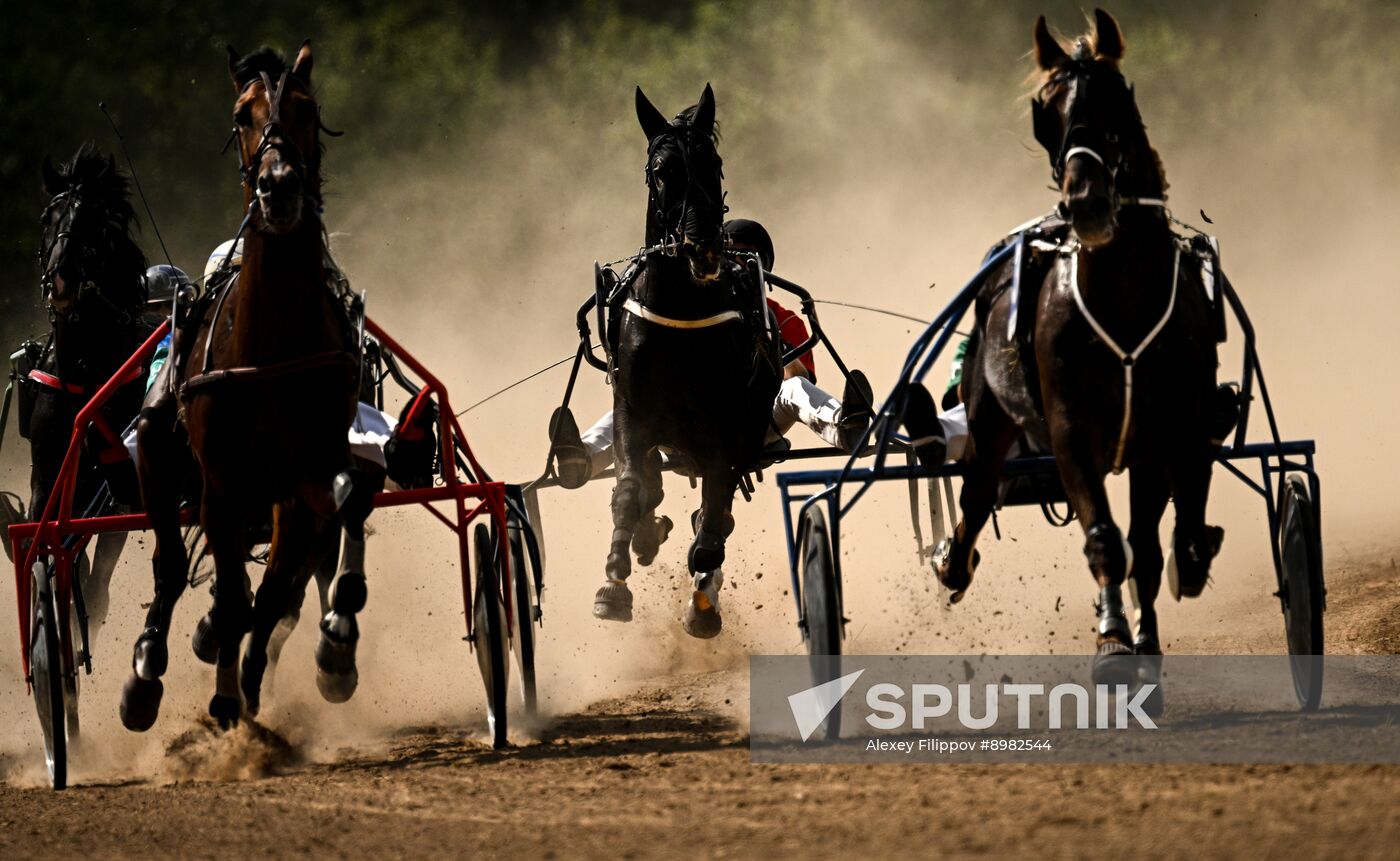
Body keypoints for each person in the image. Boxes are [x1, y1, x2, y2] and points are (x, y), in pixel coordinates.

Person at [550, 218, 875, 489]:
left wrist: (769, 339)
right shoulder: (695, 316)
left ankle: (844, 426)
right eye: (730, 258)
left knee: (795, 389)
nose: (739, 267)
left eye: (750, 260)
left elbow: (796, 379)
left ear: (765, 271)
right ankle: (581, 459)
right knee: (633, 406)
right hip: (682, 421)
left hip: (753, 423)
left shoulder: (783, 318)